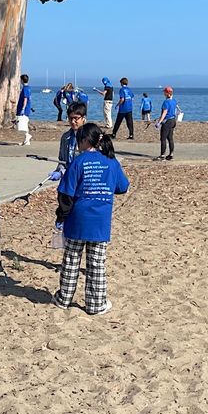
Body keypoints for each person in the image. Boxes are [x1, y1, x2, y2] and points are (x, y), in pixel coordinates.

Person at [53, 123, 129, 315]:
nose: (77, 144)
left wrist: (61, 216)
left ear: (86, 141)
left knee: (71, 260)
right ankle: (96, 304)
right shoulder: (111, 162)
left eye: (79, 140)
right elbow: (123, 186)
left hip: (78, 219)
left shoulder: (79, 162)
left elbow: (65, 193)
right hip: (99, 222)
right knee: (96, 264)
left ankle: (64, 298)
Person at [50, 102, 88, 181]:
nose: (73, 121)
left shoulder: (90, 136)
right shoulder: (65, 137)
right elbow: (62, 161)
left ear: (83, 118)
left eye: (76, 118)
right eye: (70, 118)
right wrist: (59, 171)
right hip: (69, 180)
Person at [153, 86, 179, 161]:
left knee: (163, 138)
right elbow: (176, 109)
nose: (164, 93)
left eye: (164, 92)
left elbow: (165, 112)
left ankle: (162, 155)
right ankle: (171, 155)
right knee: (170, 138)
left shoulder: (166, 102)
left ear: (167, 93)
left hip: (167, 122)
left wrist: (159, 122)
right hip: (173, 120)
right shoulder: (174, 101)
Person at [15, 73, 33, 146]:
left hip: (24, 108)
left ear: (22, 80)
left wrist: (23, 108)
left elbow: (25, 99)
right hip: (27, 108)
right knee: (25, 123)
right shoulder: (29, 88)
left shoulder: (25, 89)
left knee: (22, 124)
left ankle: (27, 136)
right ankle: (26, 140)